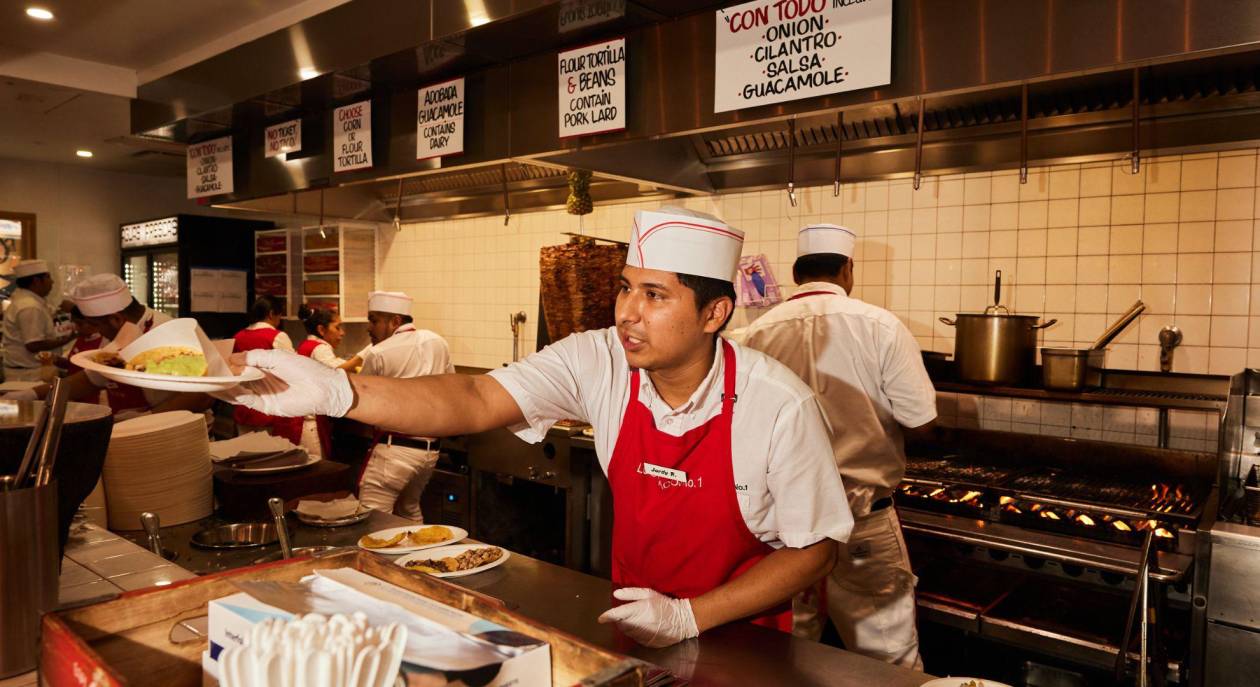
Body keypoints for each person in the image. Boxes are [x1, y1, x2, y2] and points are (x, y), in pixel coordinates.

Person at [218, 207, 853, 648]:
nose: (627, 313)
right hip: (633, 615)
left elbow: (815, 548)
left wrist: (690, 617)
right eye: (626, 288)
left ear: (714, 312)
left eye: (656, 296)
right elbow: (472, 396)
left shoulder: (777, 406)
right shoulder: (598, 359)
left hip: (746, 636)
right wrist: (340, 390)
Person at [737, 223, 937, 669]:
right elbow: (921, 421)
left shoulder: (755, 335)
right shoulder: (880, 325)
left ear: (795, 272)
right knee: (887, 659)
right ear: (848, 269)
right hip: (860, 519)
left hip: (786, 523)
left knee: (789, 653)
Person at [9, 274, 213, 418]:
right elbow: (90, 380)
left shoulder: (169, 333)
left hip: (179, 432)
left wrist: (148, 418)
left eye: (96, 325)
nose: (97, 332)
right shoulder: (118, 333)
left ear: (115, 319)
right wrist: (33, 394)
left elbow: (200, 395)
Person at [357, 290, 454, 519]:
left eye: (374, 320)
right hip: (429, 453)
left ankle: (372, 557)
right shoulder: (437, 341)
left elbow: (361, 398)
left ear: (395, 321)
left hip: (395, 450)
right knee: (408, 511)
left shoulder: (378, 352)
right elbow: (453, 386)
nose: (369, 328)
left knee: (371, 518)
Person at [231, 296, 300, 442]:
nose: (280, 320)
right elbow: (293, 369)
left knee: (246, 453)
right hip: (270, 406)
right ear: (271, 314)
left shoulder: (238, 337)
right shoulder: (277, 336)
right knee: (271, 456)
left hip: (244, 406)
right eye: (279, 315)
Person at [294, 304, 357, 458]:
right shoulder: (319, 348)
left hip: (300, 419)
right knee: (314, 470)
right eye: (337, 328)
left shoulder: (306, 345)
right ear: (321, 330)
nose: (342, 333)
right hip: (309, 423)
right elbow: (340, 368)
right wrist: (367, 353)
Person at [2, 260, 74, 381]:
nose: (52, 282)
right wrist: (70, 338)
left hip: (28, 371)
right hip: (28, 375)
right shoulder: (29, 306)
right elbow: (33, 345)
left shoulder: (29, 301)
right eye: (48, 277)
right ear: (36, 281)